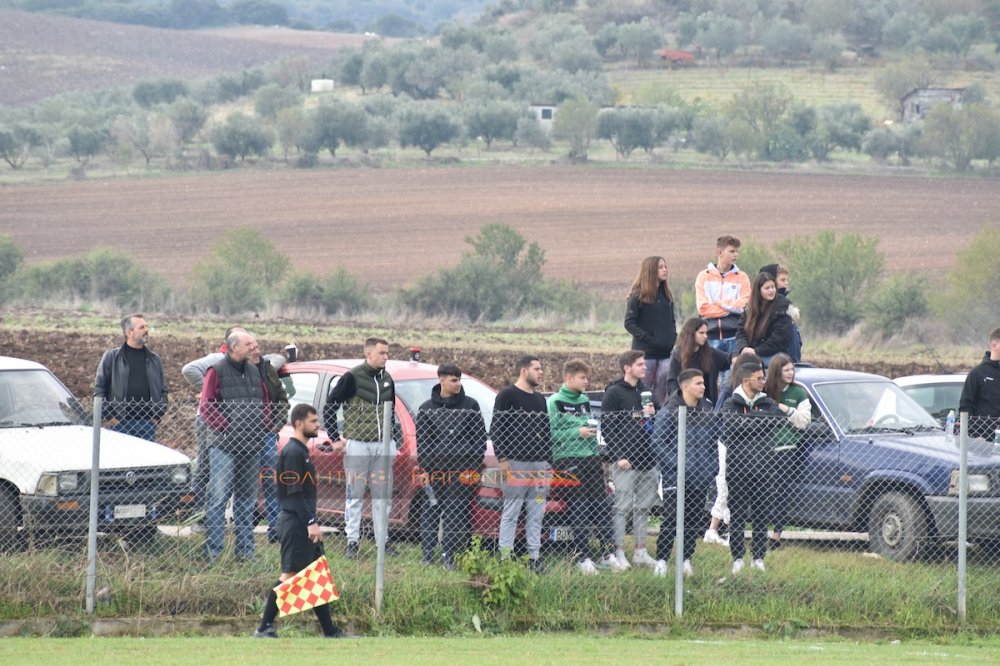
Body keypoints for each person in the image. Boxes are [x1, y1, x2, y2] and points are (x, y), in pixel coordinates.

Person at [255, 404, 348, 639]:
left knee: (317, 575)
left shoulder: (301, 451)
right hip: (296, 523)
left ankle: (330, 631)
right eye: (314, 421)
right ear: (299, 423)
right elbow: (295, 493)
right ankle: (263, 627)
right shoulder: (294, 452)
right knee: (290, 574)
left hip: (303, 520)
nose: (318, 425)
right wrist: (310, 522)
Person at [200, 329, 270, 561]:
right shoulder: (216, 371)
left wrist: (264, 421)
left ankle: (246, 552)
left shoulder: (253, 370)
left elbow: (265, 400)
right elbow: (206, 405)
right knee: (219, 499)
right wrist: (225, 426)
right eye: (248, 343)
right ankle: (214, 553)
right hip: (224, 446)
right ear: (234, 347)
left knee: (246, 501)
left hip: (251, 444)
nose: (252, 347)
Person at [548, 359, 623, 574]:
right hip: (567, 460)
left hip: (591, 458)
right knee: (579, 508)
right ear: (568, 378)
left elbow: (588, 424)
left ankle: (608, 554)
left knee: (601, 507)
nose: (587, 381)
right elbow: (550, 434)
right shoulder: (554, 401)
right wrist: (576, 433)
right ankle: (582, 557)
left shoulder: (584, 400)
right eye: (582, 377)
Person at [323, 337, 396, 559]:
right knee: (354, 495)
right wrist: (335, 438)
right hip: (358, 445)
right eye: (382, 353)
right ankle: (352, 541)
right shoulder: (352, 377)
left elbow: (390, 411)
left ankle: (382, 541)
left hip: (382, 445)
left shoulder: (387, 379)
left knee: (382, 497)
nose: (386, 357)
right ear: (369, 354)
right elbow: (330, 406)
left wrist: (392, 436)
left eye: (387, 353)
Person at [415, 364, 488, 570]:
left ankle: (449, 554)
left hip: (462, 472)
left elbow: (479, 440)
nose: (458, 384)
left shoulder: (471, 405)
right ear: (442, 380)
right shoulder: (427, 408)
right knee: (430, 511)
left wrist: (471, 468)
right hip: (435, 472)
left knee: (455, 513)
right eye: (453, 380)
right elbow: (424, 443)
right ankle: (427, 554)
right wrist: (425, 470)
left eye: (459, 380)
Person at [653, 369, 719, 577]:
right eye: (698, 383)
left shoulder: (707, 410)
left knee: (693, 521)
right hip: (676, 478)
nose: (703, 387)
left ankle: (685, 559)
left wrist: (711, 468)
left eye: (703, 383)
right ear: (685, 386)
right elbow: (658, 443)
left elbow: (713, 444)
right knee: (672, 519)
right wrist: (678, 465)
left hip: (701, 478)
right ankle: (662, 560)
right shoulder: (669, 411)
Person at [182, 327, 246, 532]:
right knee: (205, 467)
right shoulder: (216, 359)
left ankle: (218, 518)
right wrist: (210, 390)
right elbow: (188, 369)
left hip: (231, 423)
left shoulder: (245, 364)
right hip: (208, 421)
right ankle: (198, 518)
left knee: (226, 469)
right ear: (230, 343)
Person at [721, 360, 782, 574]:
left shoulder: (767, 402)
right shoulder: (731, 404)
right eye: (760, 378)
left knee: (761, 514)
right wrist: (761, 422)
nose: (764, 381)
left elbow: (776, 419)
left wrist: (751, 420)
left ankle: (758, 558)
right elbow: (733, 426)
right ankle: (737, 557)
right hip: (738, 470)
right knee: (737, 514)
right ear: (747, 380)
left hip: (764, 469)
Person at [492, 355, 551, 573]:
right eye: (537, 368)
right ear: (524, 371)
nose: (541, 372)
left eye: (540, 368)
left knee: (537, 512)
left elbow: (546, 432)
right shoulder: (507, 395)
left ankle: (533, 557)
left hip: (539, 467)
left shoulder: (540, 400)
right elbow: (497, 427)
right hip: (516, 465)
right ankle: (505, 557)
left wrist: (548, 463)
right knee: (512, 511)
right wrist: (503, 459)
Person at [601, 351, 659, 569]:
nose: (644, 368)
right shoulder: (614, 392)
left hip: (648, 460)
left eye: (644, 364)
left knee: (644, 507)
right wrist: (618, 457)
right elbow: (607, 427)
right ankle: (618, 552)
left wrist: (653, 412)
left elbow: (659, 419)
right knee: (622, 507)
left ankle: (641, 551)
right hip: (626, 462)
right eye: (640, 364)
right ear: (627, 367)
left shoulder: (647, 391)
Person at [704, 354, 764, 544]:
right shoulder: (730, 389)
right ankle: (718, 530)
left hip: (745, 446)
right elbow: (719, 416)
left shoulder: (758, 394)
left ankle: (718, 530)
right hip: (727, 444)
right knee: (725, 486)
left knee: (733, 489)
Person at [762, 353, 811, 549]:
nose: (791, 373)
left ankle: (776, 536)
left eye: (792, 369)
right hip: (763, 450)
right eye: (786, 370)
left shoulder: (798, 393)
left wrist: (784, 408)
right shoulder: (764, 390)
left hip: (787, 449)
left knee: (781, 492)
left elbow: (803, 421)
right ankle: (759, 532)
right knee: (762, 492)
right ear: (776, 371)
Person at [94, 313, 167, 442]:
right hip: (120, 423)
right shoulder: (112, 357)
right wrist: (111, 417)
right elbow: (100, 389)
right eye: (142, 327)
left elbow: (163, 389)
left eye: (146, 326)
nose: (147, 330)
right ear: (129, 332)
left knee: (146, 461)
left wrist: (157, 416)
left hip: (147, 423)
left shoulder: (154, 359)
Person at [248, 338, 291, 544]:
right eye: (252, 348)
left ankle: (276, 532)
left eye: (257, 347)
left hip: (267, 435)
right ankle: (245, 534)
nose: (256, 351)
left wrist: (277, 424)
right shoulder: (233, 371)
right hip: (243, 437)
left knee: (272, 484)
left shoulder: (267, 369)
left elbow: (282, 399)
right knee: (245, 485)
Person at [624, 256, 677, 405]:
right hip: (645, 355)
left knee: (662, 395)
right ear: (651, 270)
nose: (665, 270)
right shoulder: (638, 295)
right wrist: (649, 339)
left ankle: (658, 423)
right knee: (643, 393)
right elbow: (629, 323)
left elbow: (672, 320)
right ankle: (640, 424)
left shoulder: (666, 296)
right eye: (660, 267)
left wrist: (673, 336)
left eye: (665, 266)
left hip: (666, 355)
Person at [694, 236, 751, 356]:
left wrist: (718, 303)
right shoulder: (704, 276)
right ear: (720, 252)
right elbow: (704, 309)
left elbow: (742, 307)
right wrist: (730, 308)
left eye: (737, 251)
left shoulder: (742, 277)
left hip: (734, 338)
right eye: (731, 251)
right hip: (710, 337)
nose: (736, 255)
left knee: (733, 374)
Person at [665, 317, 731, 406]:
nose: (705, 336)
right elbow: (671, 383)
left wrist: (741, 353)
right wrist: (680, 399)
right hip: (681, 402)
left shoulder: (710, 353)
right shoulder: (677, 354)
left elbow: (729, 359)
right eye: (701, 333)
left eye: (706, 333)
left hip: (706, 404)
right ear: (691, 334)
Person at [734, 271, 794, 369]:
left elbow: (779, 338)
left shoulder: (782, 308)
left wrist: (756, 351)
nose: (771, 290)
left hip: (775, 354)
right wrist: (744, 347)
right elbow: (741, 332)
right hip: (752, 352)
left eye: (773, 287)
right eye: (767, 288)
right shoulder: (749, 309)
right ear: (758, 290)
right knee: (735, 365)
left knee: (750, 367)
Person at [959, 327, 1000, 440]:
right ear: (994, 345)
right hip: (984, 442)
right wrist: (975, 434)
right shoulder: (977, 373)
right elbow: (965, 406)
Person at [760, 263, 802, 362]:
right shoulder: (763, 307)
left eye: (787, 280)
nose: (786, 283)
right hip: (776, 358)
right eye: (782, 280)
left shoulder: (784, 302)